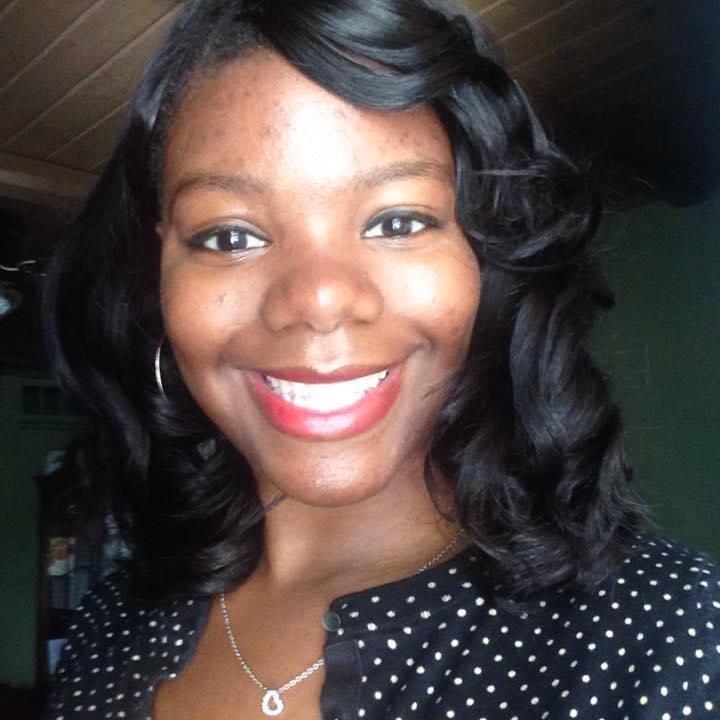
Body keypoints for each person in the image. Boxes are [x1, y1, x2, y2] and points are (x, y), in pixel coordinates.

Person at [43, 1, 718, 718]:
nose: (318, 300)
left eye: (398, 221)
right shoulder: (111, 623)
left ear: (487, 260)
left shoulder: (671, 635)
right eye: (230, 236)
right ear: (159, 276)